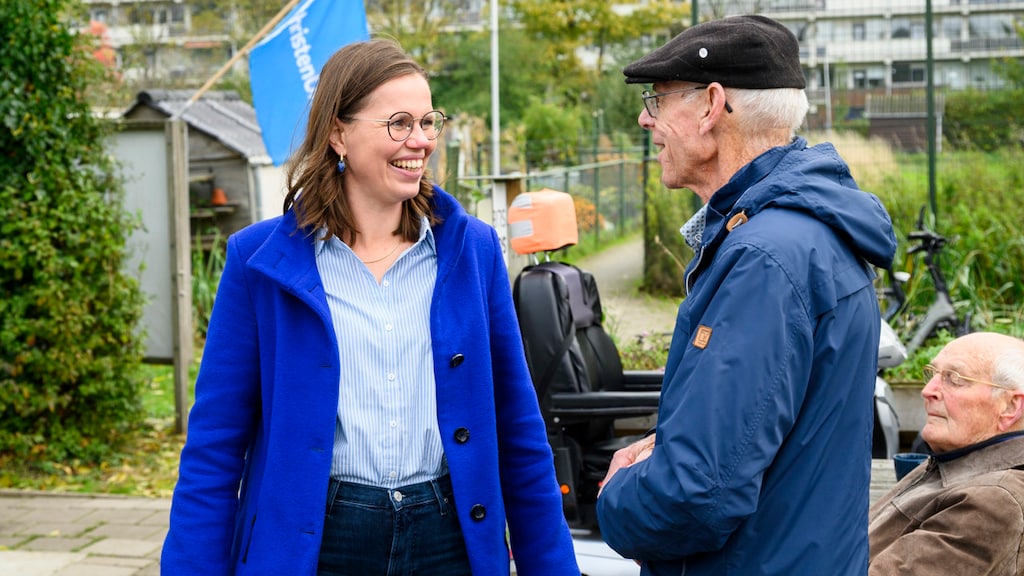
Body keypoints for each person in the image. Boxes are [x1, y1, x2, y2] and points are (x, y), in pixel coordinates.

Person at [160, 38, 579, 576]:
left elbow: (518, 431)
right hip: (318, 542)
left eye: (429, 122)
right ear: (339, 132)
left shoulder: (473, 250)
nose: (421, 141)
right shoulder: (257, 262)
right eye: (399, 123)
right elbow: (214, 449)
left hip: (449, 539)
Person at [595, 14, 897, 576]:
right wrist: (672, 446)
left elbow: (695, 495)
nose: (645, 118)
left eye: (658, 100)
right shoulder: (805, 233)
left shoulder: (765, 258)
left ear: (711, 106)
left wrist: (616, 497)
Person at [869, 332, 1024, 575]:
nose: (928, 390)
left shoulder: (992, 502)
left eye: (954, 378)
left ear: (1010, 406)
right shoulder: (955, 459)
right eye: (933, 374)